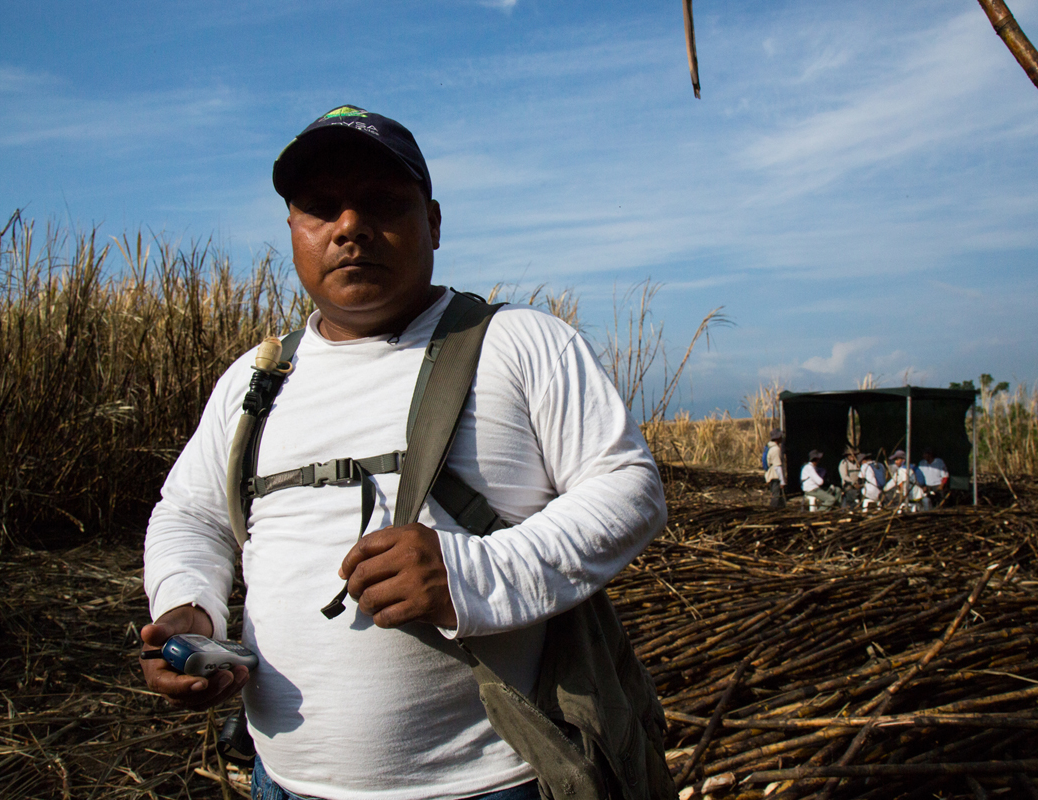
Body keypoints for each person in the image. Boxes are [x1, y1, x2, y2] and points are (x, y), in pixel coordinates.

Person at [140, 105, 667, 800]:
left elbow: (628, 488)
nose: (349, 227)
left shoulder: (520, 344)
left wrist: (472, 573)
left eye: (383, 204)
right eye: (320, 209)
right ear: (293, 233)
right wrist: (188, 608)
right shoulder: (255, 379)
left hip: (491, 783)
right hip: (281, 781)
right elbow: (191, 514)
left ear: (435, 223)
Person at [763, 428, 786, 509]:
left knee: (779, 496)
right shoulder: (776, 449)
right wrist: (782, 481)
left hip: (772, 475)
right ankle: (773, 511)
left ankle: (781, 510)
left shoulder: (770, 447)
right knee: (775, 496)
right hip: (775, 476)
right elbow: (777, 467)